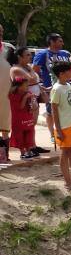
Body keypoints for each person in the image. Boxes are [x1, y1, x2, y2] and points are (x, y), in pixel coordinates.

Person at [32, 33, 71, 142]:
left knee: (66, 109)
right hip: (51, 88)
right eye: (60, 41)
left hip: (66, 87)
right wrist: (41, 86)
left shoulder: (65, 54)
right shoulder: (43, 54)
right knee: (51, 111)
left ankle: (66, 130)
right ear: (52, 42)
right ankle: (52, 134)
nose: (62, 43)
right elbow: (34, 71)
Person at [8, 46, 46, 155]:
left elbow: (34, 79)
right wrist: (30, 71)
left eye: (30, 54)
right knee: (24, 125)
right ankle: (25, 149)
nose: (30, 57)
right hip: (23, 101)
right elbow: (32, 79)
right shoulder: (16, 69)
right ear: (20, 57)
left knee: (31, 125)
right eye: (27, 55)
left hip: (33, 99)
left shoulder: (27, 68)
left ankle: (32, 146)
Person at [50, 61, 71, 188]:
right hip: (64, 127)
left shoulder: (68, 85)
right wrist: (58, 129)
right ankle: (67, 181)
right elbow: (54, 110)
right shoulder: (56, 89)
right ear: (62, 73)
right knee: (64, 153)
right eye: (70, 70)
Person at [8, 76, 37, 160]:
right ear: (18, 86)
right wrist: (25, 98)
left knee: (28, 134)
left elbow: (33, 107)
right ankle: (22, 152)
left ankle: (28, 150)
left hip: (27, 118)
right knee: (20, 135)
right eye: (25, 85)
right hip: (18, 119)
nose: (27, 87)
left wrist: (33, 101)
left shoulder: (27, 93)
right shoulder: (13, 95)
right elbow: (20, 107)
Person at [0, 25, 13, 164]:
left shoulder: (8, 49)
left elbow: (16, 66)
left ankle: (4, 155)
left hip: (6, 92)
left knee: (5, 124)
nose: (0, 34)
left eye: (1, 32)